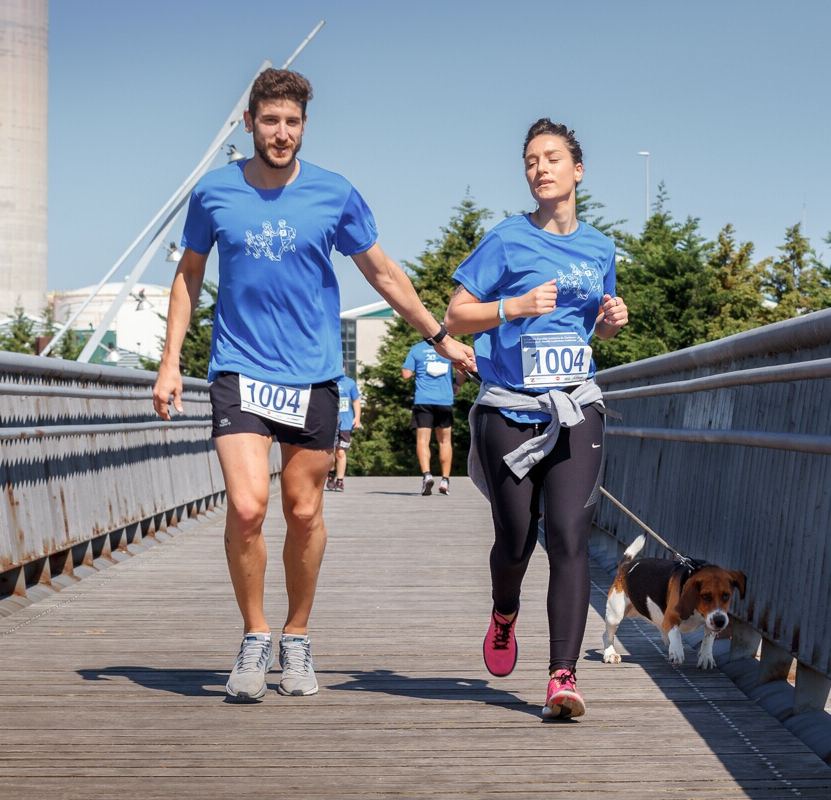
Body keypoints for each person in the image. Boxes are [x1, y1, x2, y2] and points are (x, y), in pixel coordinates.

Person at [152, 68, 475, 702]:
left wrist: (438, 335)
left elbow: (382, 275)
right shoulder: (214, 193)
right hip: (239, 371)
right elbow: (188, 276)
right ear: (249, 124)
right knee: (247, 508)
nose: (281, 133)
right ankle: (254, 636)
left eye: (292, 122)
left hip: (314, 377)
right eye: (269, 121)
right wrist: (169, 361)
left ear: (304, 125)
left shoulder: (335, 194)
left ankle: (296, 637)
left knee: (304, 511)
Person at [445, 118, 628, 719]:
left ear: (578, 171)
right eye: (530, 161)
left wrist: (607, 322)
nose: (540, 168)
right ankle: (504, 613)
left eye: (551, 158)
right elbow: (456, 315)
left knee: (572, 539)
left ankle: (562, 678)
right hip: (510, 408)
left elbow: (586, 324)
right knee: (516, 540)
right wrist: (513, 307)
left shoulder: (601, 248)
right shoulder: (505, 240)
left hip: (576, 405)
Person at [401, 339, 463, 495]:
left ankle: (427, 475)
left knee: (422, 440)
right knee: (445, 441)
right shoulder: (448, 347)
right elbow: (462, 370)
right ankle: (445, 480)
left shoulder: (416, 349)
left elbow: (406, 374)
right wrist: (458, 384)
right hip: (444, 400)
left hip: (423, 400)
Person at [326, 369, 361, 492]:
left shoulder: (349, 383)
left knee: (341, 452)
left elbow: (356, 400)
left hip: (346, 423)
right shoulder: (327, 382)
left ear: (345, 368)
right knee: (330, 453)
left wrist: (357, 417)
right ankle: (331, 474)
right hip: (330, 422)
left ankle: (340, 481)